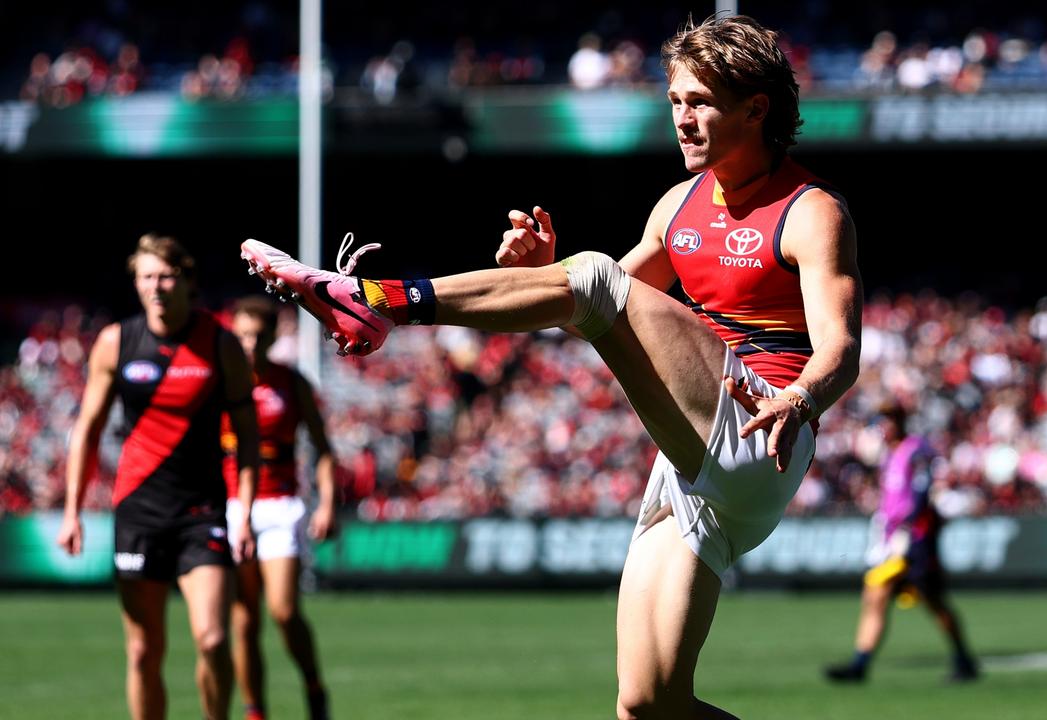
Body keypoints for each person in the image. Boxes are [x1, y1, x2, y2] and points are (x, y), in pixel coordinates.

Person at [241, 14, 862, 719]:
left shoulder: (813, 211)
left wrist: (803, 398)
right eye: (675, 102)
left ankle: (376, 300)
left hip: (763, 424)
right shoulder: (677, 207)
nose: (682, 120)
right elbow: (595, 316)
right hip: (693, 463)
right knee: (646, 703)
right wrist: (544, 277)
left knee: (591, 278)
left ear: (756, 108)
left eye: (700, 103)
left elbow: (841, 349)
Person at [57, 233, 259, 720]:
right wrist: (72, 512)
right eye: (147, 276)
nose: (157, 286)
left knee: (212, 638)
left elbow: (247, 436)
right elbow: (86, 431)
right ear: (136, 283)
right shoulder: (115, 343)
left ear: (188, 282)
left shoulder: (220, 343)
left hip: (202, 510)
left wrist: (244, 511)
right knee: (143, 652)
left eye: (167, 276)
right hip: (139, 510)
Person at [222, 297, 335, 720]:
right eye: (242, 335)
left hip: (281, 506)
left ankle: (313, 683)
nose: (249, 344)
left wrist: (326, 503)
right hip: (233, 507)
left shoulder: (291, 383)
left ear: (272, 337)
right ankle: (255, 710)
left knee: (284, 612)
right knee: (244, 622)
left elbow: (324, 449)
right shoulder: (222, 383)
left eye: (257, 335)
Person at [825, 405, 978, 684]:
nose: (883, 428)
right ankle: (859, 664)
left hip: (915, 539)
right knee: (875, 594)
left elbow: (921, 490)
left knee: (933, 601)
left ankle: (964, 658)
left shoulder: (915, 450)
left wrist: (908, 528)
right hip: (892, 542)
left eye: (887, 422)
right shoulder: (890, 456)